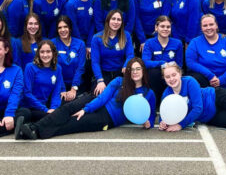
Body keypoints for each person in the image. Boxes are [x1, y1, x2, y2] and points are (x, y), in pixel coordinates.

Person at [17, 58, 154, 140]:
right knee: (67, 109)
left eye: (138, 69)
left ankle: (33, 131)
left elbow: (151, 115)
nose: (135, 72)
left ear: (143, 70)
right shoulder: (119, 81)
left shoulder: (149, 93)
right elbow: (102, 98)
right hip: (98, 106)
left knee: (72, 124)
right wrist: (86, 109)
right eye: (131, 69)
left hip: (107, 119)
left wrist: (149, 123)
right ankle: (32, 128)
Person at [186, 14, 226, 91]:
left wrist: (221, 80)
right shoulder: (195, 42)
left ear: (216, 26)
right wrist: (210, 76)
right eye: (205, 25)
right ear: (201, 28)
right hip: (204, 83)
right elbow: (191, 63)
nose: (208, 28)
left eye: (211, 24)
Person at [91, 9, 135, 95]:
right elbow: (95, 62)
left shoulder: (126, 36)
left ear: (122, 22)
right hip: (104, 74)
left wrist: (126, 65)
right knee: (99, 95)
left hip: (120, 73)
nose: (116, 22)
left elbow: (130, 55)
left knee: (121, 96)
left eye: (119, 20)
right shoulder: (97, 38)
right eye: (113, 19)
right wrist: (100, 80)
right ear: (108, 20)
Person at [22, 40, 64, 120]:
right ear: (38, 53)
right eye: (42, 52)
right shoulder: (30, 67)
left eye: (48, 52)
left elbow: (56, 92)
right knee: (52, 119)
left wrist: (54, 109)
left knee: (60, 114)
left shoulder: (58, 69)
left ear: (53, 53)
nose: (45, 55)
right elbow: (27, 93)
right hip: (31, 107)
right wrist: (45, 109)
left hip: (46, 106)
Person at [53, 16, 88, 96]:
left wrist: (73, 88)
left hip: (77, 85)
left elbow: (80, 67)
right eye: (60, 28)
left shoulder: (80, 44)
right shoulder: (52, 44)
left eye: (65, 27)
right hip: (58, 85)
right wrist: (62, 89)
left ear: (70, 28)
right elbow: (54, 68)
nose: (63, 30)